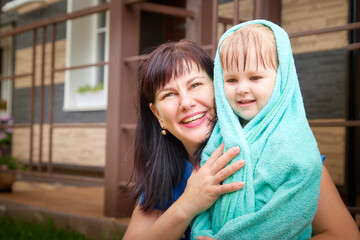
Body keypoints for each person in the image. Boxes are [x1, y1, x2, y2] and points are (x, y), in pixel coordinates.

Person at [123, 39, 359, 240]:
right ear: (157, 114)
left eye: (195, 85)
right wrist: (188, 203)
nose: (186, 103)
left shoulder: (287, 155)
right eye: (169, 94)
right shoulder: (165, 174)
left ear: (219, 87)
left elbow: (345, 235)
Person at [191, 20, 322, 239]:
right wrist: (200, 233)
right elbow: (203, 203)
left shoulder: (297, 147)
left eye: (255, 77)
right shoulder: (221, 138)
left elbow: (285, 220)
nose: (242, 89)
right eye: (231, 79)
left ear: (281, 77)